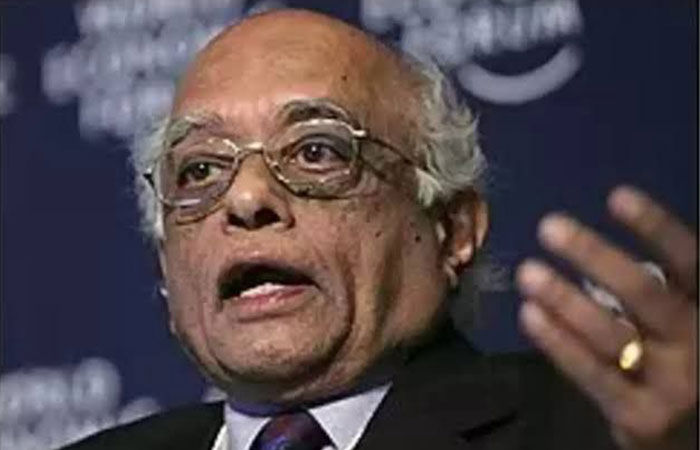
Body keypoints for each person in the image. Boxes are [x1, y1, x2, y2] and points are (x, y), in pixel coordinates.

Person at [65, 9, 697, 450]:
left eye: (316, 152)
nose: (248, 198)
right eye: (200, 169)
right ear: (166, 267)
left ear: (451, 229)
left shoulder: (607, 430)